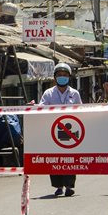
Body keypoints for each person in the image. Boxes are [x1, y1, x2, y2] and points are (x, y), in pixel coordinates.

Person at [39, 62, 82, 197]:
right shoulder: (48, 93)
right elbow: (41, 107)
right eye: (59, 75)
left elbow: (81, 110)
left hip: (71, 131)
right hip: (54, 131)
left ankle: (69, 186)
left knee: (70, 159)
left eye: (65, 75)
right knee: (55, 159)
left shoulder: (74, 94)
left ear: (69, 77)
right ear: (55, 77)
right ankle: (58, 186)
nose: (62, 77)